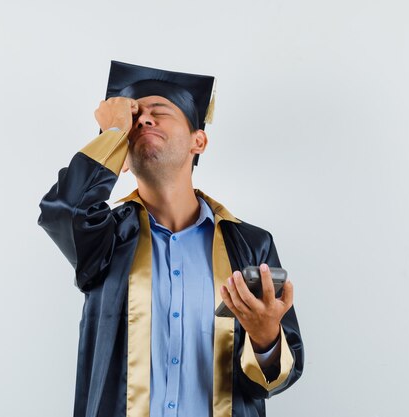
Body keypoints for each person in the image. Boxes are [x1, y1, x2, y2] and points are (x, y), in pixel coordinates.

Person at [38, 61, 304, 417]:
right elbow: (65, 209)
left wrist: (265, 339)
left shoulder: (250, 245)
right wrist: (114, 131)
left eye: (159, 112)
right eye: (135, 120)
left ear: (199, 141)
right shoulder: (106, 239)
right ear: (123, 160)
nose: (144, 120)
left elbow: (270, 382)